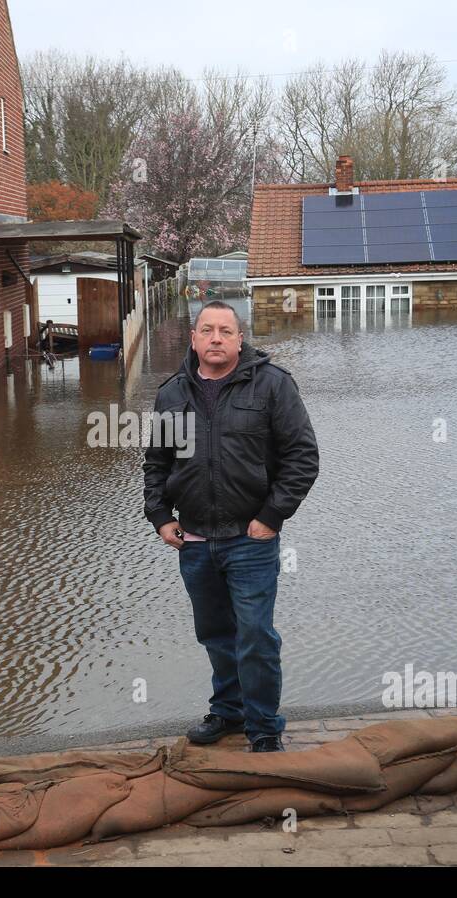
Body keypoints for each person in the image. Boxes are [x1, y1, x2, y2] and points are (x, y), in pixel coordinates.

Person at [143, 301, 319, 752]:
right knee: (217, 635)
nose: (216, 338)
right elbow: (157, 464)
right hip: (195, 542)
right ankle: (229, 711)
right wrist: (161, 517)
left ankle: (263, 729)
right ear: (194, 339)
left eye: (225, 330)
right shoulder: (172, 395)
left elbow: (302, 458)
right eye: (207, 330)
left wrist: (270, 518)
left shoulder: (273, 387)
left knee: (256, 635)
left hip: (250, 540)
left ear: (240, 338)